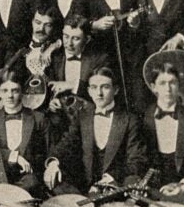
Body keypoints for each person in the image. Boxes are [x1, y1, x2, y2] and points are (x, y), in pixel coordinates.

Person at [43, 67, 146, 195]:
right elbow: (66, 143)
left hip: (113, 184)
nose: (99, 93)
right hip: (84, 183)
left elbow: (137, 160)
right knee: (56, 181)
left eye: (105, 87)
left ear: (116, 90)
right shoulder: (82, 115)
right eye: (94, 87)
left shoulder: (130, 119)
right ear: (89, 91)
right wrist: (53, 163)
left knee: (131, 184)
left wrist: (112, 177)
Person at [142, 62, 184, 207]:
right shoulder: (142, 117)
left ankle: (169, 202)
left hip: (183, 183)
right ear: (154, 87)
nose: (168, 88)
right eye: (162, 83)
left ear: (179, 86)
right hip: (154, 185)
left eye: (172, 83)